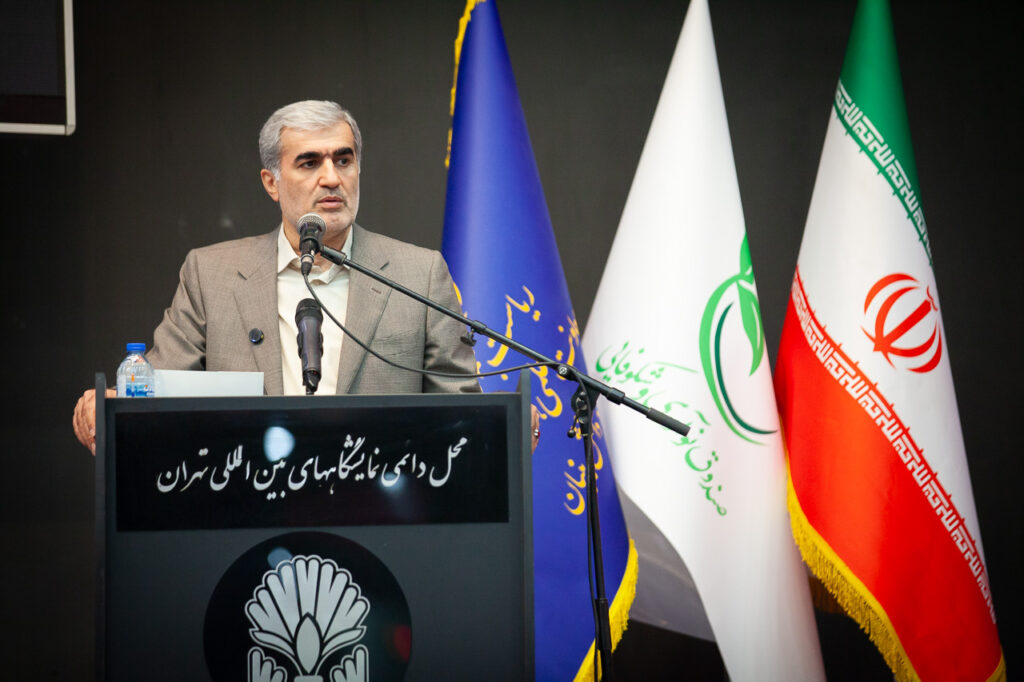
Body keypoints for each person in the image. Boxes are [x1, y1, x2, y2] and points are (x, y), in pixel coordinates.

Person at [73, 100, 547, 454]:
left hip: (384, 513)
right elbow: (155, 394)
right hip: (246, 509)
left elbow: (459, 408)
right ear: (271, 182)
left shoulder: (418, 274)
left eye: (343, 160)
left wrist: (500, 425)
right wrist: (111, 407)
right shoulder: (211, 274)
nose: (332, 177)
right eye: (309, 162)